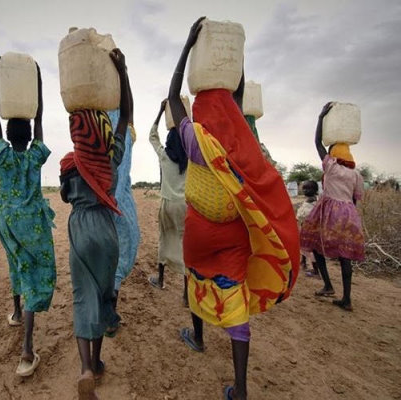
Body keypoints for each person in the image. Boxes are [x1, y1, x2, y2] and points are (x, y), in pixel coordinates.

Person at [169, 19, 299, 400]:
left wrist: (188, 46)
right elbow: (237, 101)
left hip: (199, 229)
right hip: (234, 231)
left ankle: (197, 335)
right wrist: (235, 62)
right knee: (234, 294)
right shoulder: (239, 142)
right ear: (233, 115)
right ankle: (240, 388)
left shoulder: (194, 138)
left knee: (195, 278)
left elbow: (174, 97)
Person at [60, 48, 129, 400]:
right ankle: (99, 363)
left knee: (81, 296)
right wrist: (122, 71)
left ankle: (86, 367)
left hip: (81, 228)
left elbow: (63, 196)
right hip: (107, 229)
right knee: (103, 296)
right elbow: (124, 117)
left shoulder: (72, 163)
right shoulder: (112, 157)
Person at [0, 56, 57, 377]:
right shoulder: (35, 156)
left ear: (6, 133)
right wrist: (39, 86)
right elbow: (40, 116)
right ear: (29, 134)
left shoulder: (1, 155)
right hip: (31, 222)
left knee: (17, 263)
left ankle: (16, 312)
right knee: (32, 274)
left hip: (6, 220)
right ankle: (27, 350)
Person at [300, 102, 365, 311]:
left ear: (334, 154)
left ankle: (328, 285)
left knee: (315, 245)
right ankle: (347, 298)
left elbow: (317, 143)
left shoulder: (332, 166)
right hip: (349, 213)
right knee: (345, 255)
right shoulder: (356, 175)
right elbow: (355, 199)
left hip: (329, 211)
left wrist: (320, 118)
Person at [105, 74, 140, 338]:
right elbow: (129, 109)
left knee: (103, 258)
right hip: (120, 202)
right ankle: (110, 315)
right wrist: (124, 72)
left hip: (99, 201)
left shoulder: (100, 121)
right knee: (120, 255)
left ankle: (103, 312)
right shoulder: (125, 128)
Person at [147, 99, 188, 305]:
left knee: (165, 239)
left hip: (167, 204)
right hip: (185, 206)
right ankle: (187, 295)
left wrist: (160, 111)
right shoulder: (191, 159)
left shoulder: (164, 156)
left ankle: (160, 279)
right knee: (185, 246)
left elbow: (152, 136)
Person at [296, 180, 319, 277]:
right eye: (304, 188)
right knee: (305, 247)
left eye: (308, 188)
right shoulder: (316, 201)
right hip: (309, 229)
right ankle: (303, 262)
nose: (305, 190)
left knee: (311, 250)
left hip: (310, 230)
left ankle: (316, 271)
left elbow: (300, 216)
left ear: (315, 190)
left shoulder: (311, 203)